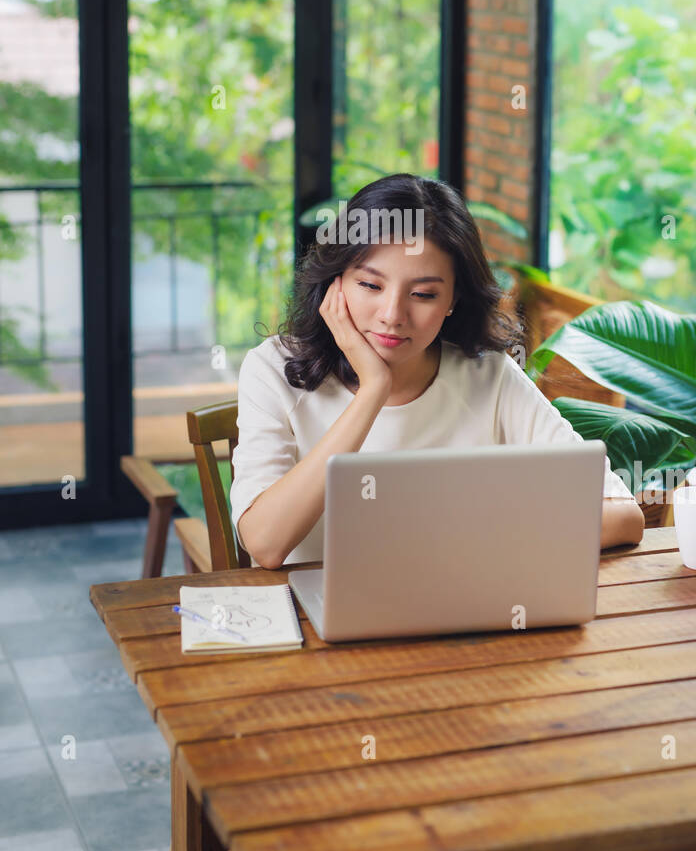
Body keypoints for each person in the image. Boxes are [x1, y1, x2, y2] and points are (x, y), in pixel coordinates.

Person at [230, 173, 644, 570]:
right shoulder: (272, 370)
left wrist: (478, 539)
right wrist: (373, 391)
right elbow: (265, 544)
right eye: (371, 286)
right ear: (335, 282)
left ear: (452, 300)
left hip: (460, 615)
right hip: (313, 629)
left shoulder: (490, 377)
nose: (392, 315)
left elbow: (623, 516)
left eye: (423, 294)